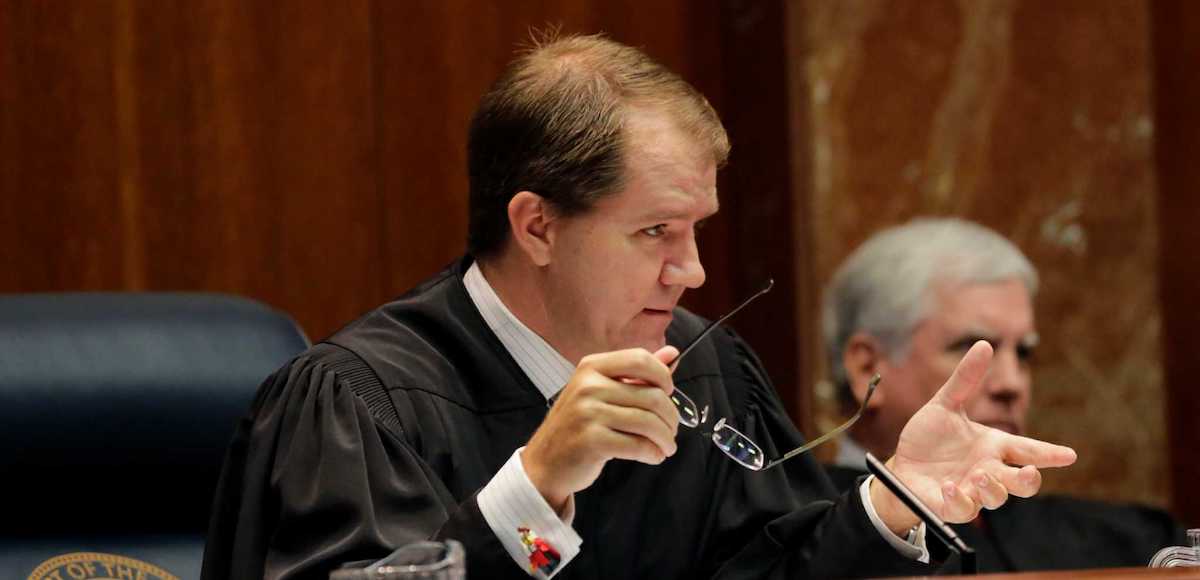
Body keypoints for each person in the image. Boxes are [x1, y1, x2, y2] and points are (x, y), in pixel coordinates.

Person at [201, 35, 1076, 580]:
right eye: (655, 231)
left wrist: (888, 506)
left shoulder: (706, 366)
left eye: (698, 229)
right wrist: (535, 486)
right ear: (537, 226)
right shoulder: (360, 401)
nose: (691, 271)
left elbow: (766, 571)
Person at [822, 217, 1184, 572]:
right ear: (868, 368)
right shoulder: (790, 540)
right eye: (970, 348)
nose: (1012, 383)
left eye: (1023, 353)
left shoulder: (1133, 542)